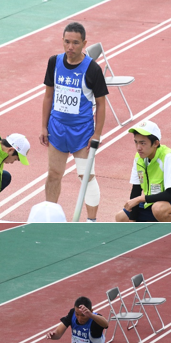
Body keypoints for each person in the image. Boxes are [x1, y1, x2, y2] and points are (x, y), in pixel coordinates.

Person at [39, 22, 108, 222]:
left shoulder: (93, 69)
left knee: (86, 176)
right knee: (53, 174)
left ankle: (91, 220)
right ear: (62, 41)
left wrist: (97, 134)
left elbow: (101, 104)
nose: (70, 47)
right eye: (67, 42)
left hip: (82, 132)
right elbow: (48, 96)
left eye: (75, 43)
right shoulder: (54, 62)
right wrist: (43, 126)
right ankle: (50, 217)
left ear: (84, 43)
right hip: (57, 129)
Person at [115, 119, 171, 222]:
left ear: (156, 143)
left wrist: (140, 199)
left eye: (143, 143)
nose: (138, 148)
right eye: (136, 142)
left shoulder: (168, 157)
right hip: (157, 202)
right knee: (121, 217)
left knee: (159, 209)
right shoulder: (139, 158)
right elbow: (136, 191)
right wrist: (132, 220)